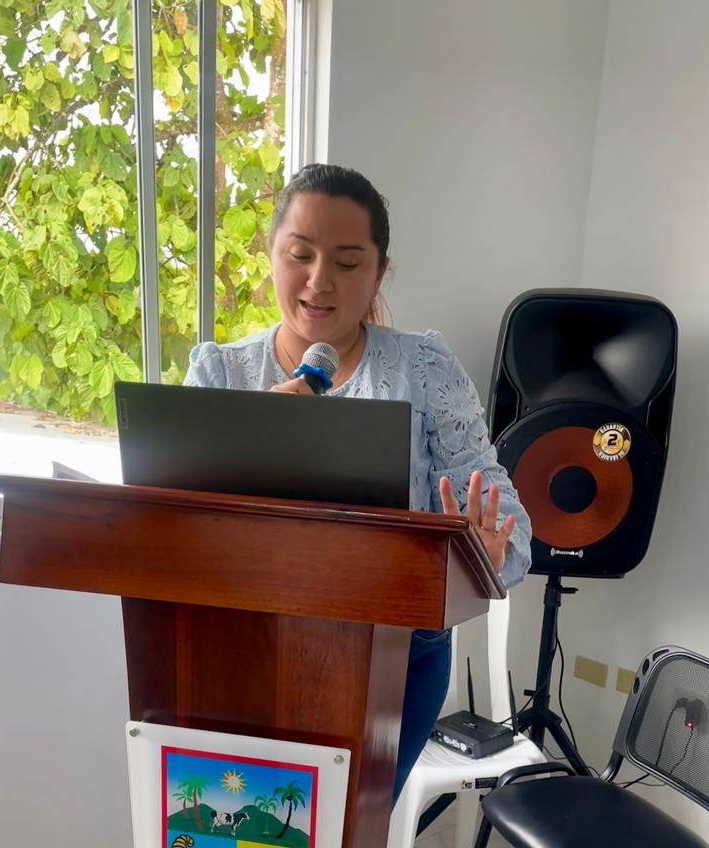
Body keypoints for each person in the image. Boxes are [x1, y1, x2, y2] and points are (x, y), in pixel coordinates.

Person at [184, 163, 532, 801]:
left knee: (352, 845)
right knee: (246, 837)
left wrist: (484, 548)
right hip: (247, 656)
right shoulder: (221, 375)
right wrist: (252, 446)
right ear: (271, 253)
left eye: (347, 263)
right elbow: (178, 533)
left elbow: (503, 514)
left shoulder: (423, 368)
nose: (319, 281)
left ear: (379, 272)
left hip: (394, 661)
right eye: (300, 255)